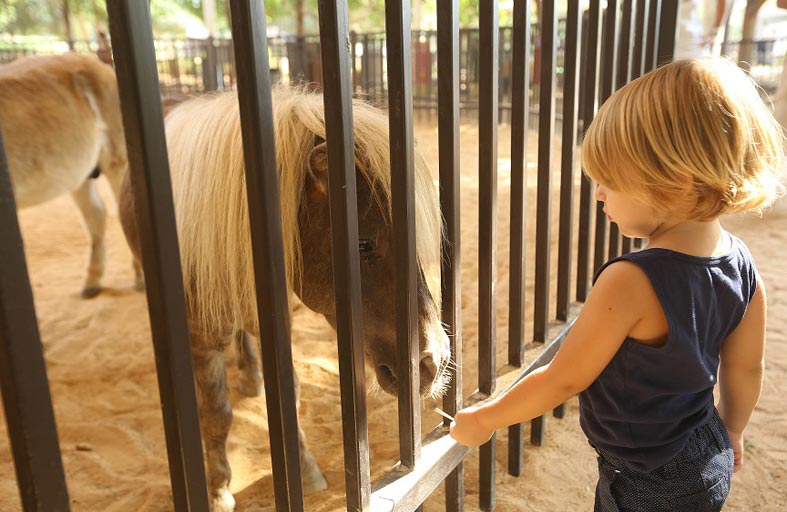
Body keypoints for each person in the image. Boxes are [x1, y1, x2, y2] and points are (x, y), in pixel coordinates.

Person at [450, 58, 785, 511]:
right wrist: (732, 430)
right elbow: (745, 368)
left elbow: (565, 378)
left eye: (610, 180)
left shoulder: (631, 280)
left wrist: (484, 420)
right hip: (707, 451)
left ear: (674, 183)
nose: (599, 193)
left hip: (649, 479)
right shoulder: (742, 262)